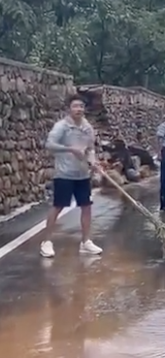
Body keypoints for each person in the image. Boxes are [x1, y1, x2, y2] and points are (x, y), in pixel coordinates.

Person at [40, 94, 102, 258]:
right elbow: (49, 145)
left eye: (81, 106)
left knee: (86, 207)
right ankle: (46, 242)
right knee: (58, 206)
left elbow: (91, 148)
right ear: (69, 108)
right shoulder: (61, 126)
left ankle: (86, 242)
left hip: (82, 175)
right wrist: (70, 149)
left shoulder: (87, 128)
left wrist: (93, 162)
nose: (79, 109)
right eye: (75, 106)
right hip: (64, 174)